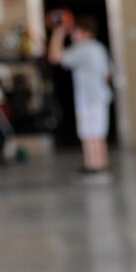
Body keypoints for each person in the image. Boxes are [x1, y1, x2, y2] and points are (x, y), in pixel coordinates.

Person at [47, 11, 113, 176]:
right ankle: (100, 164)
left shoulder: (84, 48)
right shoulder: (99, 48)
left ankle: (94, 167)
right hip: (100, 96)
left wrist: (58, 33)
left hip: (89, 99)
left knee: (89, 133)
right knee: (98, 133)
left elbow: (55, 57)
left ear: (85, 32)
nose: (72, 35)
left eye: (74, 31)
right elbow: (108, 74)